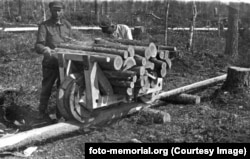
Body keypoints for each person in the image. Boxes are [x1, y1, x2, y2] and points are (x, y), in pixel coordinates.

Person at [35, 1, 72, 121]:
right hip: (50, 64)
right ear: (50, 10)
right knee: (47, 88)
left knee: (63, 88)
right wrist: (44, 48)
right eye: (55, 10)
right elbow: (38, 45)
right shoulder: (44, 26)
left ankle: (60, 114)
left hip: (64, 63)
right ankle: (41, 113)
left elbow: (71, 43)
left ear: (63, 10)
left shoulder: (67, 25)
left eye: (60, 10)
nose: (57, 12)